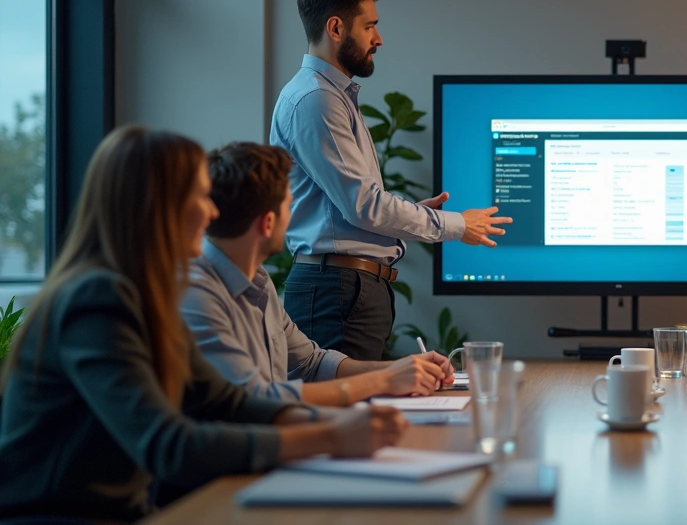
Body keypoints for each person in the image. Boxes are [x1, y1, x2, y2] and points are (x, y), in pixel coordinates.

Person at [0, 126, 407, 522]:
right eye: (201, 196)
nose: (213, 212)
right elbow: (169, 444)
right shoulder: (97, 299)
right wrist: (331, 437)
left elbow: (226, 403)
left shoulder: (144, 294)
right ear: (160, 206)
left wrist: (340, 423)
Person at [271, 0, 510, 360]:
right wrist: (458, 225)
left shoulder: (333, 96)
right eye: (369, 26)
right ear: (335, 28)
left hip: (347, 288)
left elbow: (349, 205)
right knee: (346, 417)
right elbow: (363, 205)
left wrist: (414, 214)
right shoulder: (318, 100)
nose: (378, 39)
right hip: (337, 291)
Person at [182, 142, 455, 406]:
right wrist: (383, 381)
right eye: (290, 205)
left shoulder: (258, 283)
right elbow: (254, 399)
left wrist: (404, 368)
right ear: (268, 223)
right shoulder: (197, 294)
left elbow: (312, 363)